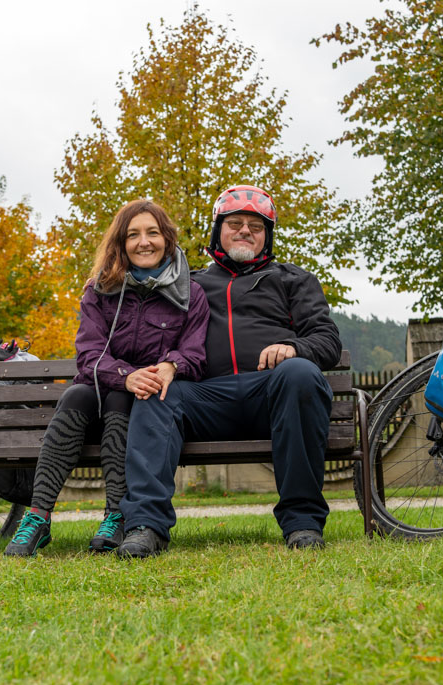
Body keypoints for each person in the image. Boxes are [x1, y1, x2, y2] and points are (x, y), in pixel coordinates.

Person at [117, 185, 343, 558]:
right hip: (207, 399)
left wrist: (295, 348)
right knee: (158, 390)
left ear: (267, 235)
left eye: (256, 226)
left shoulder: (294, 280)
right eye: (235, 223)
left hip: (273, 396)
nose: (245, 231)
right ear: (217, 231)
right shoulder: (188, 285)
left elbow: (327, 340)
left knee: (300, 373)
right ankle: (145, 526)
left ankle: (303, 522)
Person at [4, 199, 209, 556]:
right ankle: (37, 517)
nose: (144, 242)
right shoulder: (99, 290)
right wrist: (125, 375)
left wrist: (170, 365)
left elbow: (195, 353)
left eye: (153, 233)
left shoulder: (191, 293)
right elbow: (89, 355)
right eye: (133, 235)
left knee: (122, 399)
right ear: (121, 243)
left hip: (148, 407)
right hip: (98, 398)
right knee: (75, 395)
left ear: (167, 239)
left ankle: (116, 515)